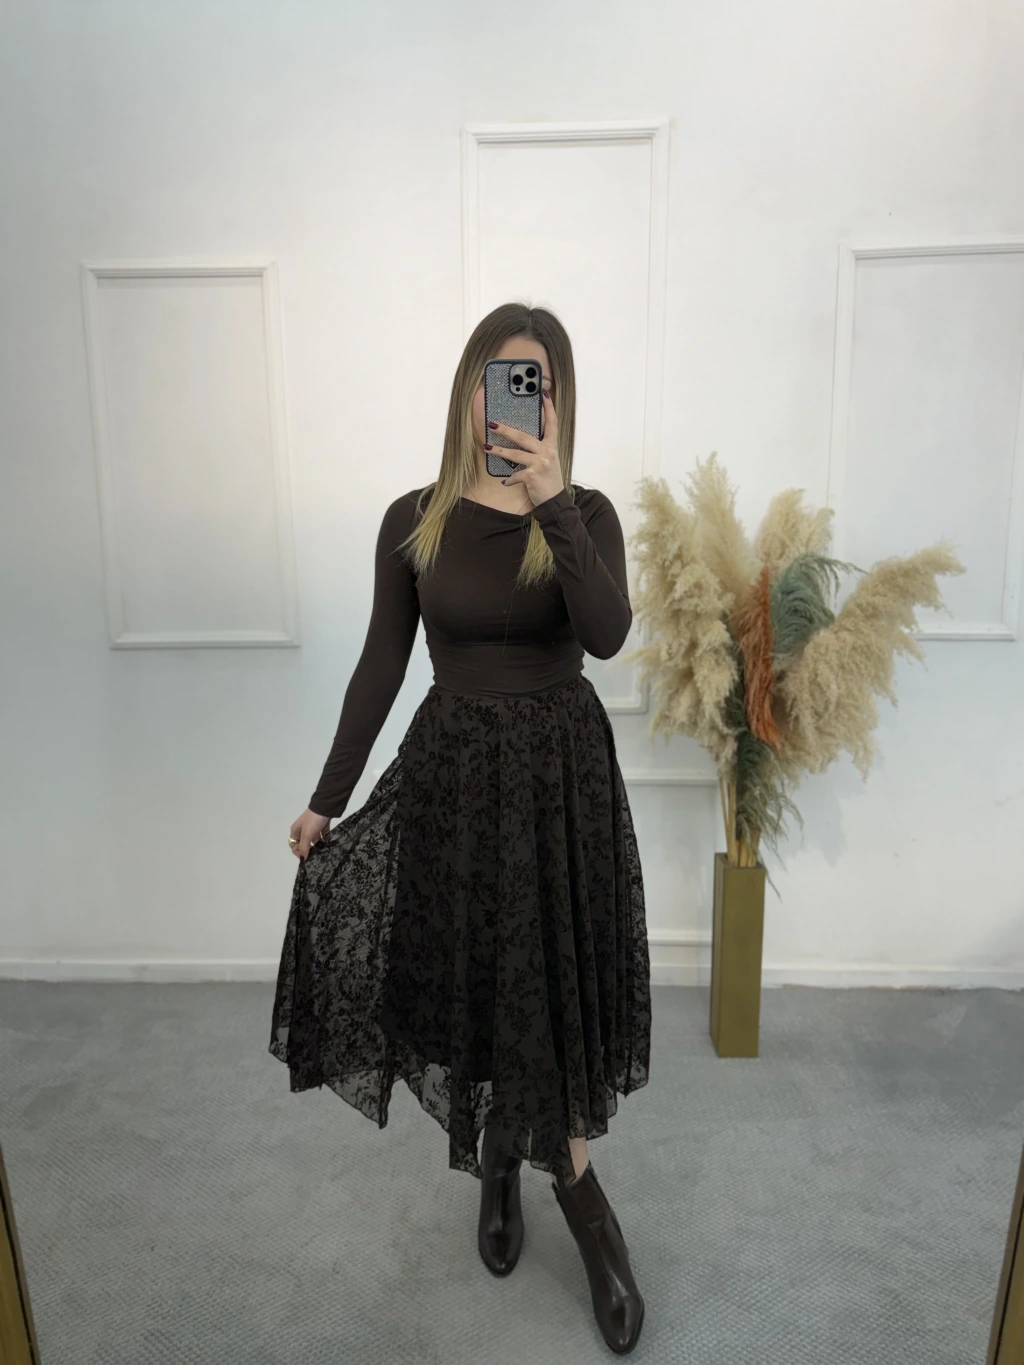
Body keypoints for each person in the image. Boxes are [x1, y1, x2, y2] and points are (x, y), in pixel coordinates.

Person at [270, 302, 651, 1355]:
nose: (514, 399)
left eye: (536, 382)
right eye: (500, 378)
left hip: (559, 781)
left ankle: (583, 1202)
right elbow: (380, 664)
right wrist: (326, 797)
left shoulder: (586, 512)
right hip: (456, 777)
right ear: (470, 390)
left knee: (548, 986)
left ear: (557, 400)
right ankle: (497, 1160)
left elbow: (609, 635)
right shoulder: (415, 519)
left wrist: (549, 498)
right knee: (477, 974)